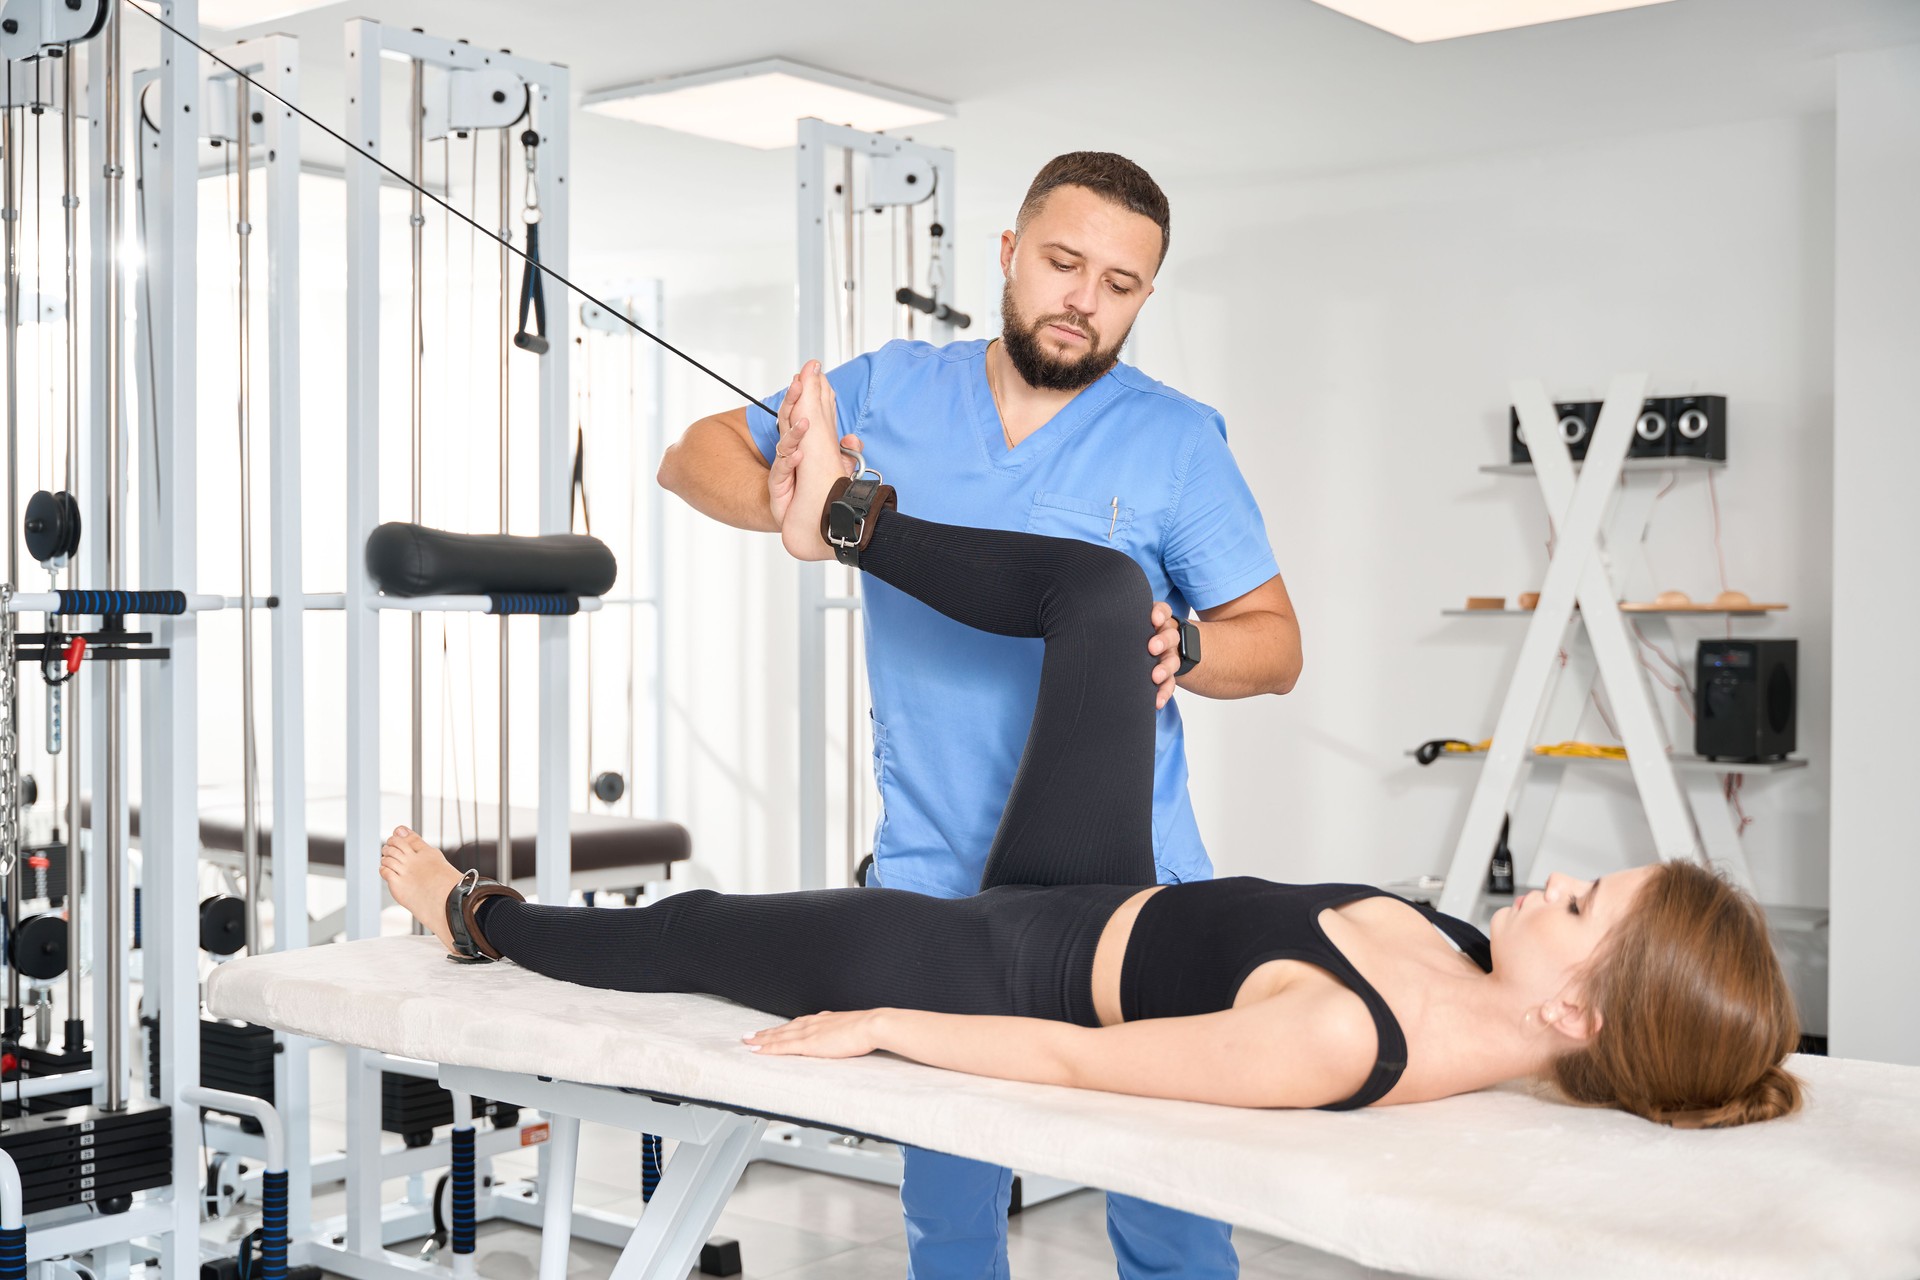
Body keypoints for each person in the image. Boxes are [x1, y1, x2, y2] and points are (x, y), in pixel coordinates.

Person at [381, 433, 1802, 1142]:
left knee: (695, 930)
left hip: (999, 965)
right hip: (1102, 878)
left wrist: (884, 1021)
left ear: (1577, 1010)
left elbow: (1076, 1065)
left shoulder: (1345, 1047)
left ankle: (480, 919)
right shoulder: (1474, 964)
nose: (1555, 880)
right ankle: (844, 520)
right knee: (1111, 593)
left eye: (1585, 901)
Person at [657, 150, 1296, 1279]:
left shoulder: (1176, 439)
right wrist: (788, 497)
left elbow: (1276, 643)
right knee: (949, 1203)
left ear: (1145, 295)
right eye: (1062, 263)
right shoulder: (894, 391)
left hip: (1132, 882)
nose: (1083, 301)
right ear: (1009, 254)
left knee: (1170, 1202)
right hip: (936, 872)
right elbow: (694, 453)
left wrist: (1192, 644)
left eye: (1120, 283)